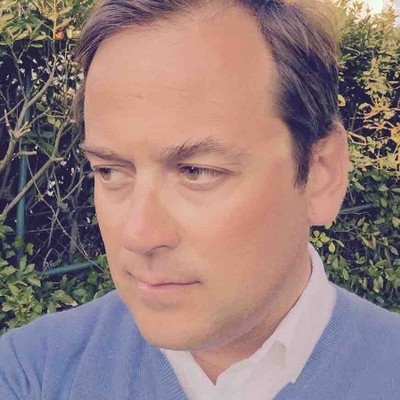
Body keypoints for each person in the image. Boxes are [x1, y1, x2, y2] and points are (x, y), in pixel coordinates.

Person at [1, 0, 399, 399]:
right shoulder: (30, 374)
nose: (138, 235)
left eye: (196, 171)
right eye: (110, 171)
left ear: (320, 174)